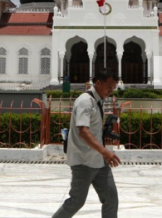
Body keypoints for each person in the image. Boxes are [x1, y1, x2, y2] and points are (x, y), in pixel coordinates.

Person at [52, 68, 121, 218]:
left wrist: (103, 139)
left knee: (111, 198)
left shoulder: (98, 101)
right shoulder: (85, 101)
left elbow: (92, 130)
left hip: (99, 161)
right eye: (109, 87)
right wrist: (105, 152)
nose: (111, 91)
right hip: (83, 161)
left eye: (113, 88)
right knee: (76, 201)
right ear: (98, 83)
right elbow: (83, 131)